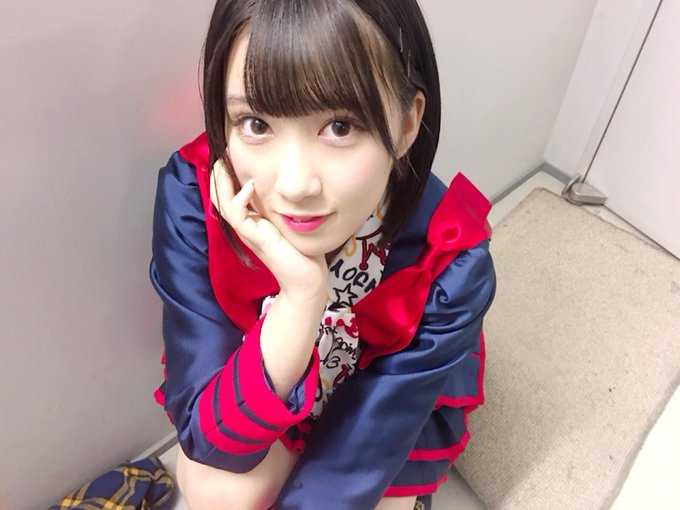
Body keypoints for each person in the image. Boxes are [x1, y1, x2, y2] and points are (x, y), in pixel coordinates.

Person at [149, 1, 496, 509]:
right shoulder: (193, 194)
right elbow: (212, 438)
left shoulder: (449, 259)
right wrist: (302, 295)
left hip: (383, 410)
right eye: (256, 123)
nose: (295, 185)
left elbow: (353, 465)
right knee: (216, 487)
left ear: (406, 124)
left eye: (340, 126)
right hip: (272, 377)